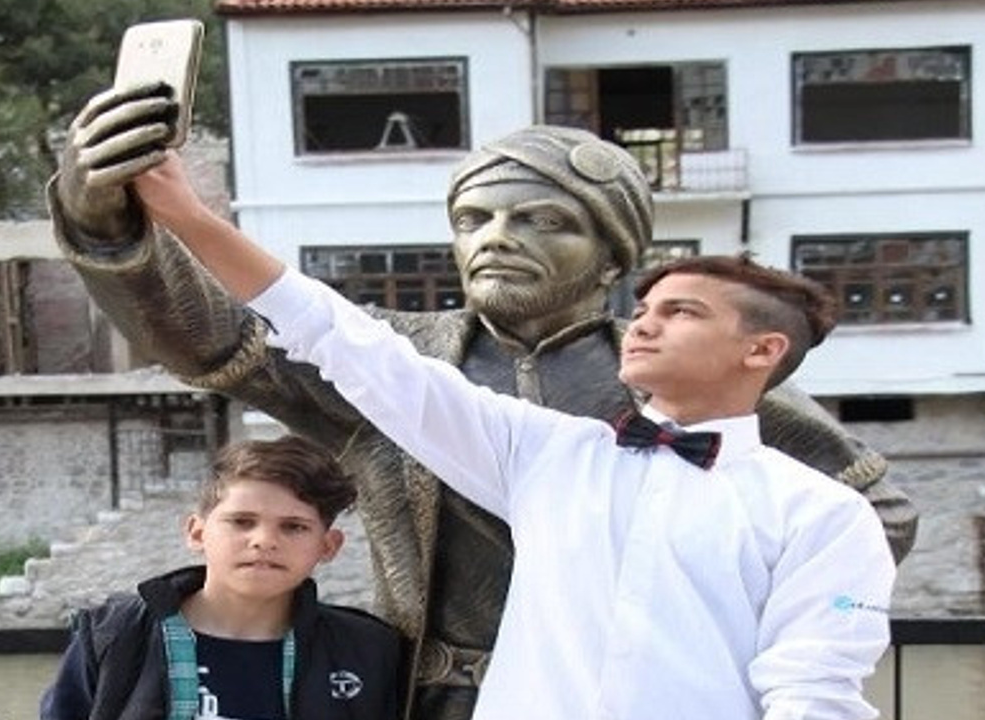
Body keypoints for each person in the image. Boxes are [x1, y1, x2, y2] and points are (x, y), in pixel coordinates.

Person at [50, 83, 916, 720]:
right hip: (424, 692)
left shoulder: (790, 488)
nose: (499, 239)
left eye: (543, 220)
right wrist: (122, 221)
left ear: (612, 254)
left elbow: (831, 633)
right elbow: (272, 332)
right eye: (476, 220)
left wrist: (705, 613)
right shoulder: (527, 438)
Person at [39, 435, 404, 720]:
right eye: (242, 521)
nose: (264, 541)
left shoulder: (368, 651)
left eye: (294, 527)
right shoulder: (115, 634)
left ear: (328, 546)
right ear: (197, 533)